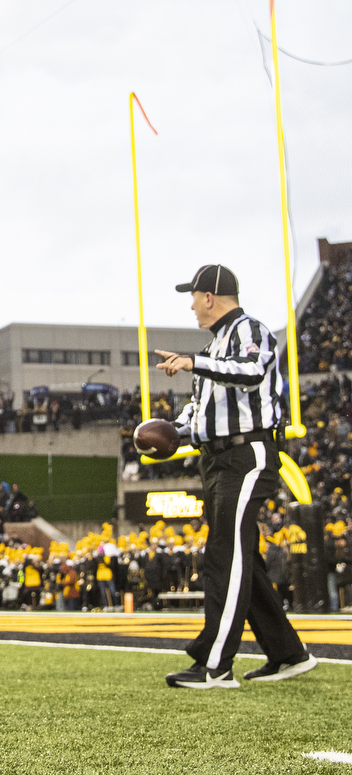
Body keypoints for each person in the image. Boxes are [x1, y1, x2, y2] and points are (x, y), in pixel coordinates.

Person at [155, 264, 317, 688]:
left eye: (193, 296)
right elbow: (199, 417)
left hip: (247, 454)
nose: (191, 306)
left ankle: (215, 664)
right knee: (244, 558)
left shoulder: (250, 331)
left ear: (209, 296)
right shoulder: (212, 347)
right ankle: (288, 654)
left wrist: (195, 362)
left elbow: (252, 373)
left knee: (224, 553)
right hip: (217, 459)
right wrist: (168, 432)